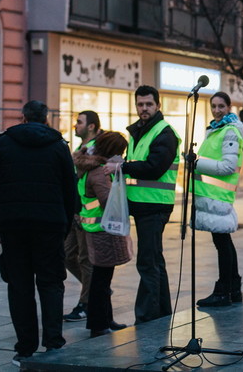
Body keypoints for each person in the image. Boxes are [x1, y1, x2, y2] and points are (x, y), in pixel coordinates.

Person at [0, 101, 77, 366]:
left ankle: (24, 349)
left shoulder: (4, 143)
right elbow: (70, 189)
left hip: (13, 225)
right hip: (49, 225)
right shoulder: (59, 146)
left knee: (20, 285)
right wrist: (65, 224)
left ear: (23, 117)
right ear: (46, 119)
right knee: (50, 283)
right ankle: (54, 345)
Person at [102, 85, 180, 324]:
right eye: (140, 104)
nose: (143, 108)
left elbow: (155, 168)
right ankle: (161, 313)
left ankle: (147, 317)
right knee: (154, 260)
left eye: (148, 104)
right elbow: (139, 163)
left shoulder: (164, 133)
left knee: (148, 262)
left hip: (155, 205)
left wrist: (122, 166)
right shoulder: (141, 131)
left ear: (158, 105)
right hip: (142, 204)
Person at [74, 131, 131, 337]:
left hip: (96, 229)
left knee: (102, 279)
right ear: (112, 152)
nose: (122, 157)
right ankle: (99, 325)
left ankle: (106, 319)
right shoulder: (99, 172)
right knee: (101, 280)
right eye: (120, 152)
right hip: (102, 230)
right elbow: (110, 201)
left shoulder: (90, 167)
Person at [192, 92, 243, 307]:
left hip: (218, 197)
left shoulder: (229, 131)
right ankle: (232, 288)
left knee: (222, 243)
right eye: (213, 106)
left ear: (229, 107)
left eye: (221, 106)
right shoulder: (216, 130)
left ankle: (224, 290)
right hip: (212, 196)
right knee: (223, 242)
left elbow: (227, 166)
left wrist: (195, 163)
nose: (216, 110)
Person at [64, 110, 103, 323]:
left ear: (91, 126)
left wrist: (80, 210)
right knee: (67, 254)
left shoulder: (98, 147)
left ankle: (86, 303)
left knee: (86, 259)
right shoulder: (81, 148)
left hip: (87, 213)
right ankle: (96, 288)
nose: (75, 125)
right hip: (75, 210)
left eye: (79, 122)